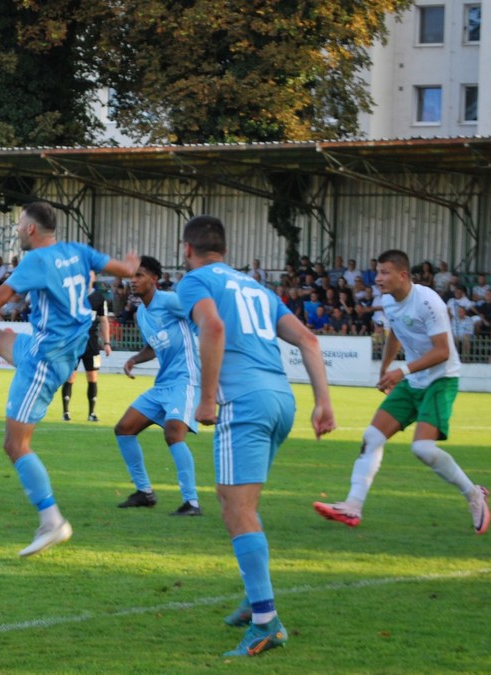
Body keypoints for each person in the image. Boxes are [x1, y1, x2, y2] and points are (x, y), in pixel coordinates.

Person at [0, 201, 139, 557]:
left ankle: (52, 520)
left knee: (15, 444)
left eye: (20, 224)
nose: (18, 229)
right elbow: (118, 267)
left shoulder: (37, 261)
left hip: (45, 358)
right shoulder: (75, 251)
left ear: (31, 229)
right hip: (53, 346)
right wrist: (129, 267)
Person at [177, 215, 335, 657]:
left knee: (235, 506)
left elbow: (213, 327)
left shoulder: (195, 282)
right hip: (280, 400)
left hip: (243, 403)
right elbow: (309, 341)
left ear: (187, 249)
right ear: (223, 249)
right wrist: (323, 402)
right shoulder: (258, 289)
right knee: (239, 503)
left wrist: (207, 399)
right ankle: (253, 599)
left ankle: (267, 623)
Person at [314, 249, 491, 536]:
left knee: (422, 448)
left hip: (440, 379)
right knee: (371, 438)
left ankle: (473, 494)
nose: (378, 278)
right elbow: (394, 333)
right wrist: (385, 369)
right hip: (413, 379)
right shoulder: (388, 301)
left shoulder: (428, 301)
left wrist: (402, 371)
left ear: (403, 275)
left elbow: (443, 352)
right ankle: (353, 505)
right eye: (378, 272)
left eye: (384, 273)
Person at [115, 256, 202, 515]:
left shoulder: (171, 301)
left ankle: (192, 502)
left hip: (186, 380)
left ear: (154, 279)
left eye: (139, 275)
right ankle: (144, 492)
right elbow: (153, 347)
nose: (133, 280)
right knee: (124, 428)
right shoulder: (142, 313)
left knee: (174, 433)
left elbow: (204, 319)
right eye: (132, 276)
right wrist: (135, 359)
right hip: (163, 384)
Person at [61, 272, 111, 422]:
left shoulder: (99, 298)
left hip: (92, 344)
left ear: (94, 278)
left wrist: (107, 343)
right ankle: (66, 412)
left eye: (91, 276)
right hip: (74, 343)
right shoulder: (72, 295)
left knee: (93, 377)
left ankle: (92, 413)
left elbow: (104, 321)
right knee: (70, 377)